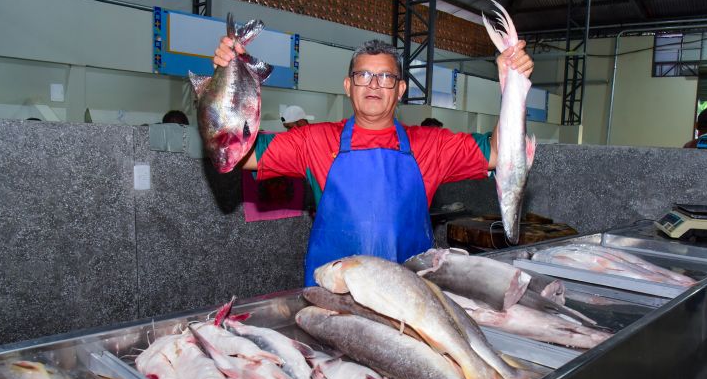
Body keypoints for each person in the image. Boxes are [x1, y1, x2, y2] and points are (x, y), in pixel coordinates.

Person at [214, 37, 533, 285]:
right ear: (348, 86)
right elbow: (238, 154)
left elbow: (499, 154)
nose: (374, 84)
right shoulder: (313, 140)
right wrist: (224, 80)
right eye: (363, 75)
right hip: (333, 298)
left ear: (401, 90)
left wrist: (512, 85)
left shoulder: (432, 145)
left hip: (409, 301)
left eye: (385, 77)